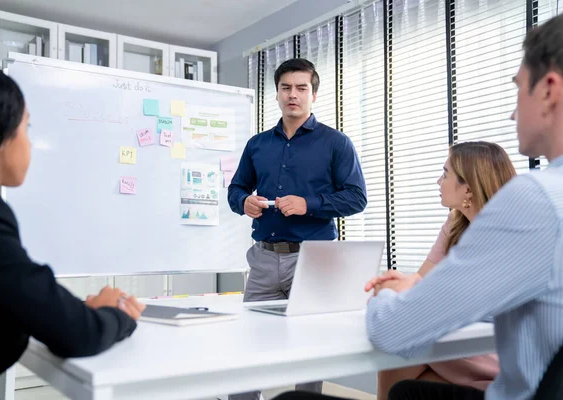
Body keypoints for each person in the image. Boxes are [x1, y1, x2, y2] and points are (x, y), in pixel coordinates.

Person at [364, 13, 563, 400]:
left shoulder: (534, 200)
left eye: (518, 88)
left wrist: (386, 295)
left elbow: (393, 331)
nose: (511, 113)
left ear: (549, 90)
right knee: (410, 388)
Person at [0, 61, 145, 400]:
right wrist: (116, 313)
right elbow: (75, 334)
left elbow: (20, 294)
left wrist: (70, 312)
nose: (29, 144)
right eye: (26, 129)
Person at [227, 58, 366, 399]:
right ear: (276, 94)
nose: (293, 95)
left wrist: (309, 204)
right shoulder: (258, 145)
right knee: (249, 344)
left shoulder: (336, 143)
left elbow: (356, 198)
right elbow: (235, 190)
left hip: (313, 260)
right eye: (286, 87)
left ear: (313, 95)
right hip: (263, 259)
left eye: (301, 88)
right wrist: (243, 202)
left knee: (310, 349)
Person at [369, 141, 515, 399]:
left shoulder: (506, 235)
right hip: (458, 343)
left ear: (468, 187)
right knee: (400, 365)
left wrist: (388, 294)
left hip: (497, 352)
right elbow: (423, 279)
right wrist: (403, 281)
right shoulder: (455, 222)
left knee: (399, 351)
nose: (438, 181)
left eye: (445, 174)